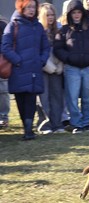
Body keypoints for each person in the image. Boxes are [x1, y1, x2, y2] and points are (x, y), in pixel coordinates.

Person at [1, 0, 50, 140]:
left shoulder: (38, 27)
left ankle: (29, 131)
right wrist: (18, 61)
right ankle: (27, 128)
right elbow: (5, 47)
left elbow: (45, 47)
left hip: (34, 70)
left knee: (31, 100)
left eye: (33, 7)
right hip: (19, 70)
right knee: (21, 101)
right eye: (28, 7)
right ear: (22, 8)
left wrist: (41, 60)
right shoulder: (13, 25)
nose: (31, 10)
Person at [54, 0, 89, 134]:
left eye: (79, 12)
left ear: (82, 13)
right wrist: (68, 58)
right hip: (71, 69)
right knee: (72, 97)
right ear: (69, 14)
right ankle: (76, 124)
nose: (76, 15)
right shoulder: (64, 30)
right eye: (74, 12)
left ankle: (86, 122)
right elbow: (58, 48)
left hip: (87, 68)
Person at [36, 3, 65, 134]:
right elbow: (36, 49)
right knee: (43, 98)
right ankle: (45, 126)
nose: (51, 17)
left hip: (57, 69)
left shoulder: (59, 29)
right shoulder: (37, 29)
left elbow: (63, 47)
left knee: (57, 97)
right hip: (42, 69)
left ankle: (57, 124)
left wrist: (60, 64)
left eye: (52, 14)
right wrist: (46, 64)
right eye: (47, 15)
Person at [0, 15, 10, 129]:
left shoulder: (3, 25)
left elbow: (6, 44)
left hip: (1, 62)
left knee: (2, 91)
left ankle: (3, 117)